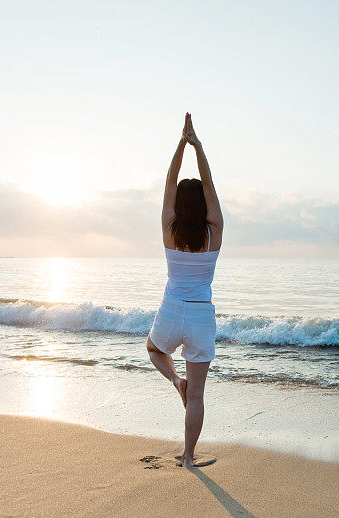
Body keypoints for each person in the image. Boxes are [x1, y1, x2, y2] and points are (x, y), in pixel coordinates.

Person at [146, 112, 223, 468]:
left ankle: (175, 379)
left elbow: (168, 182)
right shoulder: (213, 231)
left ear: (178, 204)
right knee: (198, 395)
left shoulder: (169, 227)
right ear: (204, 204)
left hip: (173, 307)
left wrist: (180, 143)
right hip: (202, 314)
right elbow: (208, 185)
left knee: (153, 348)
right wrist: (199, 146)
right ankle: (189, 458)